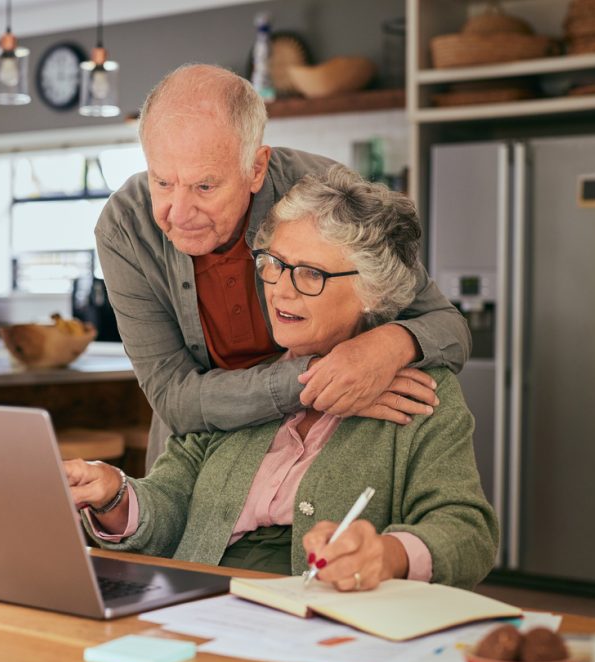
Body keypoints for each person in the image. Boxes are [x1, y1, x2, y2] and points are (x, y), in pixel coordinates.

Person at [68, 166, 498, 591]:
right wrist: (114, 495)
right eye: (274, 264)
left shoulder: (421, 392)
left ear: (374, 292)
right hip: (197, 608)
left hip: (325, 623)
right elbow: (171, 501)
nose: (280, 290)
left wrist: (389, 554)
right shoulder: (240, 383)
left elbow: (468, 533)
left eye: (311, 274)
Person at [95, 64, 471, 465]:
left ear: (256, 168)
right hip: (196, 464)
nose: (179, 212)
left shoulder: (325, 194)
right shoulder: (124, 227)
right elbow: (175, 399)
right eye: (162, 182)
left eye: (205, 186)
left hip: (329, 449)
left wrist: (386, 347)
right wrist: (325, 377)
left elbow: (449, 329)